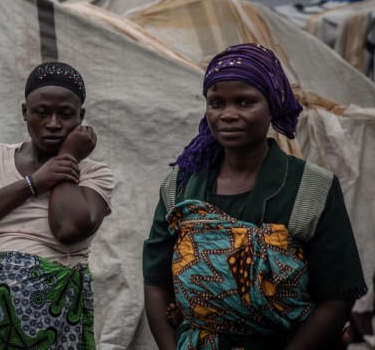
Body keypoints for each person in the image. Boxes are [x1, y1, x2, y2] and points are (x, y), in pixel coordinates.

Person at [142, 43, 367, 350]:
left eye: (245, 102)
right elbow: (156, 281)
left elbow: (338, 294)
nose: (229, 114)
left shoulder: (311, 187)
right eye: (217, 103)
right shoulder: (181, 186)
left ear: (272, 105)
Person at [0, 62, 114, 350]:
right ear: (25, 111)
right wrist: (35, 182)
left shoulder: (94, 173)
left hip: (59, 309)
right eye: (41, 112)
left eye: (65, 115)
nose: (53, 123)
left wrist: (68, 158)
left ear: (81, 117)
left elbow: (67, 228)